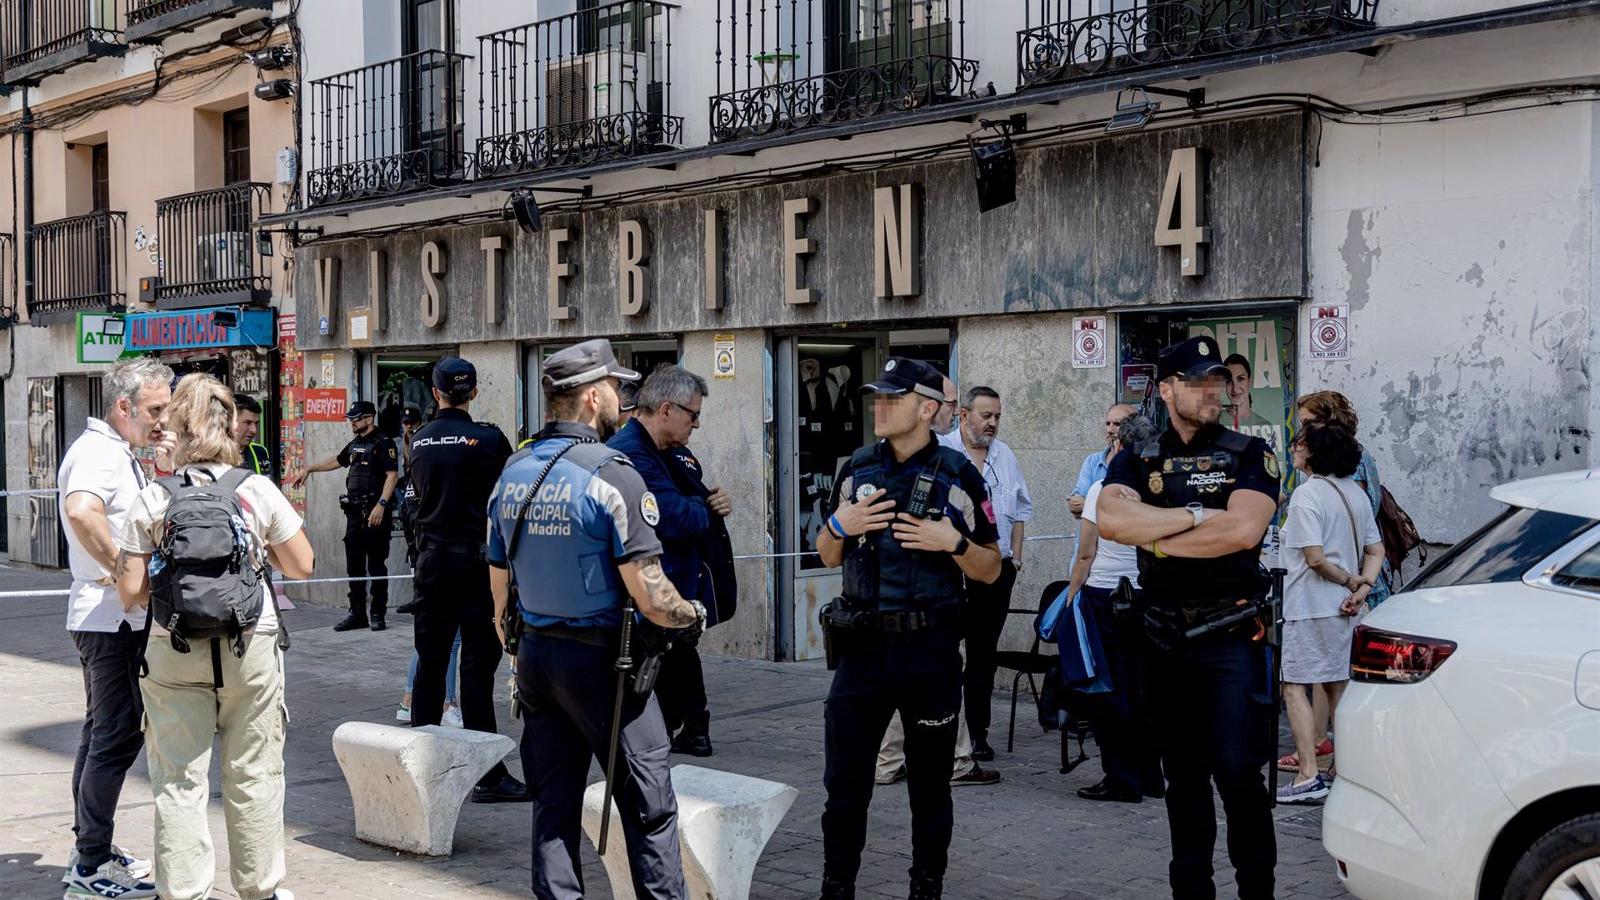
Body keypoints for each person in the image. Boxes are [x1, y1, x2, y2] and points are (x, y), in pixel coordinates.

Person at [488, 338, 705, 899]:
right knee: (650, 809)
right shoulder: (614, 474)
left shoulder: (514, 471)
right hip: (607, 665)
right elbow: (651, 596)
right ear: (590, 397)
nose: (621, 398)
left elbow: (498, 590)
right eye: (614, 387)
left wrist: (520, 648)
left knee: (553, 805)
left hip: (536, 657)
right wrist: (691, 613)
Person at [115, 373, 314, 900]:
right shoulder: (255, 489)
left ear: (176, 427)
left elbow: (130, 592)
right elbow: (303, 565)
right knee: (255, 772)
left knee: (179, 779)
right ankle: (259, 890)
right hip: (251, 643)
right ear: (230, 428)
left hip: (174, 647)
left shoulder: (154, 496)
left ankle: (183, 892)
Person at [1097, 335, 1280, 900]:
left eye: (1217, 380)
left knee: (1239, 772)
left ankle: (1257, 891)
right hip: (1165, 639)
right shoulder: (1138, 456)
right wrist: (1201, 517)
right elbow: (1111, 521)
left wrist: (1156, 536)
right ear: (1168, 390)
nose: (1213, 390)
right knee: (1183, 777)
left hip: (1231, 635)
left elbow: (1243, 531)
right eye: (1199, 381)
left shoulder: (1249, 453)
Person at [817, 356, 1002, 900]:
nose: (880, 406)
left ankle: (926, 887)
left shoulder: (959, 475)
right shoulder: (857, 468)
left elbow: (991, 568)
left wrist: (955, 543)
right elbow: (827, 554)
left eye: (892, 398)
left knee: (930, 788)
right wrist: (839, 525)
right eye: (877, 396)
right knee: (844, 786)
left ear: (926, 409)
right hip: (862, 650)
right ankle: (836, 888)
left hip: (929, 651)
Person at [57, 358, 173, 900]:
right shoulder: (100, 453)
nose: (162, 419)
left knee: (101, 732)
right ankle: (90, 864)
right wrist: (123, 575)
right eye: (155, 409)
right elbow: (82, 512)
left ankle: (91, 847)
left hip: (106, 617)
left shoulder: (114, 451)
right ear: (124, 406)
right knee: (116, 736)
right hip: (112, 619)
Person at [405, 357, 527, 803]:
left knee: (431, 664)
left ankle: (419, 767)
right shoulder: (491, 440)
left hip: (433, 565)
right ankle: (488, 776)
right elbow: (509, 502)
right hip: (478, 567)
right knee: (477, 671)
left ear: (436, 393)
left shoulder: (418, 440)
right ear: (473, 392)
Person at [875, 373, 996, 789]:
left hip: (941, 602)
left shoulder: (960, 464)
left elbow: (992, 545)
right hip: (906, 608)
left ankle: (900, 761)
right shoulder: (888, 465)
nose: (951, 410)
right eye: (949, 403)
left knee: (923, 687)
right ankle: (949, 761)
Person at [607, 365, 731, 757]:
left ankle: (685, 730)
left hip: (673, 587)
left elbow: (690, 501)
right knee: (647, 681)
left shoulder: (670, 452)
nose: (698, 424)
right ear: (666, 410)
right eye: (693, 415)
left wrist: (706, 503)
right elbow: (675, 517)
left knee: (678, 657)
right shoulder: (631, 453)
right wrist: (706, 506)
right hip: (644, 595)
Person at [1276, 422, 1384, 804]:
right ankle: (1345, 770)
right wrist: (1362, 587)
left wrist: (1351, 581)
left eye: (1300, 444)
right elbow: (1376, 550)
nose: (1294, 449)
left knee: (1294, 686)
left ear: (1314, 452)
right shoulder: (1355, 492)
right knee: (1337, 687)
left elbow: (1315, 559)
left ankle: (1308, 774)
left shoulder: (1307, 494)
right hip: (1346, 609)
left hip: (1309, 605)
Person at [1064, 413, 1164, 803]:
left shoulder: (1103, 489)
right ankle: (1151, 776)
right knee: (1147, 689)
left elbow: (1086, 552)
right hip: (1148, 596)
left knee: (1110, 689)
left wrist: (1071, 595)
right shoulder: (1158, 488)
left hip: (1106, 595)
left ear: (1120, 446)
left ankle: (1122, 778)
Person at [939, 386, 1032, 760]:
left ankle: (978, 734)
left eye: (997, 416)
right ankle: (943, 731)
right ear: (964, 415)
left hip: (996, 570)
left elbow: (1021, 509)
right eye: (986, 415)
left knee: (982, 656)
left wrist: (1016, 560)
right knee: (944, 653)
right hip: (949, 570)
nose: (993, 423)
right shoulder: (942, 451)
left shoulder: (1004, 455)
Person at [294, 400, 398, 632]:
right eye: (351, 419)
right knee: (354, 565)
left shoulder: (384, 443)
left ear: (369, 418)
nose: (352, 423)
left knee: (377, 565)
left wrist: (381, 505)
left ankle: (378, 614)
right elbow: (337, 460)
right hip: (355, 513)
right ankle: (357, 613)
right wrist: (310, 468)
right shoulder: (355, 444)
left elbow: (392, 476)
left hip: (375, 513)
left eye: (356, 419)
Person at [1222, 354, 1279, 451]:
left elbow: (1270, 460)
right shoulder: (1215, 423)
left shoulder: (1265, 426)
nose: (1235, 388)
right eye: (1228, 381)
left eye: (1240, 379)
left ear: (1249, 381)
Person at [234, 394, 273, 481]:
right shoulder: (214, 454)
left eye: (256, 423)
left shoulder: (259, 451)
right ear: (231, 421)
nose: (254, 430)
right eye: (247, 423)